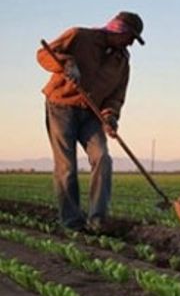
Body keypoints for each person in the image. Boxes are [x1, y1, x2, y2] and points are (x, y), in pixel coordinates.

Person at [37, 12, 145, 232]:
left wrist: (110, 116)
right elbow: (43, 54)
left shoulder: (122, 62)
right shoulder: (79, 36)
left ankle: (97, 220)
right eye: (130, 37)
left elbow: (116, 95)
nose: (130, 44)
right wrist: (67, 63)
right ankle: (72, 223)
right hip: (61, 106)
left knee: (102, 158)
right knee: (67, 166)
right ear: (118, 30)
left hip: (92, 114)